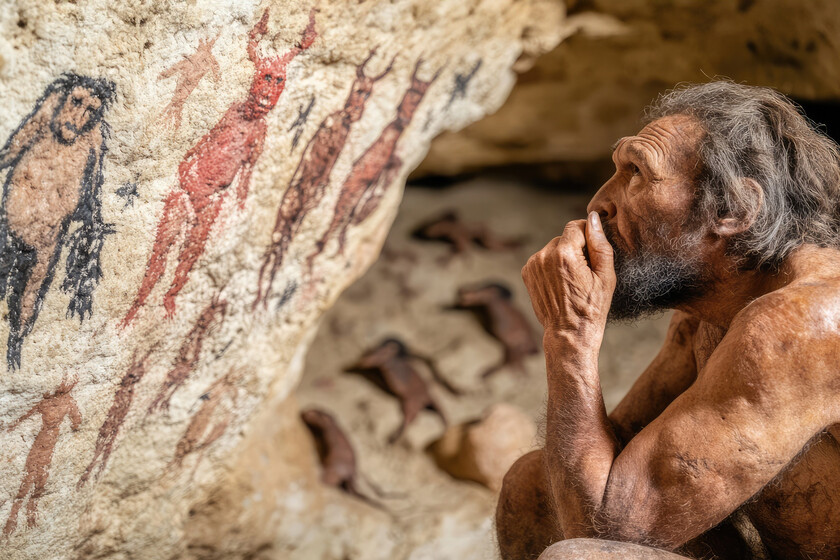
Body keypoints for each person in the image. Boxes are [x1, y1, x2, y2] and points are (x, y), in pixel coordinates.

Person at [496, 81, 840, 560]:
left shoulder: (801, 322)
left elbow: (607, 529)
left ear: (732, 209)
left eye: (636, 172)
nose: (598, 203)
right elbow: (610, 474)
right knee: (531, 487)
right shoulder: (706, 318)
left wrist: (570, 337)